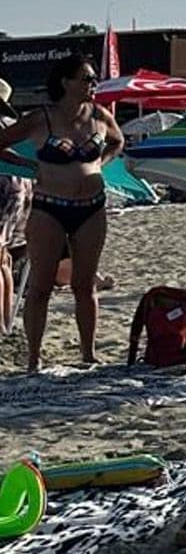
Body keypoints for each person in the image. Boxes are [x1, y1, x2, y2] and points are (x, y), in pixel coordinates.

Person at [0, 55, 122, 369]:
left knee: (85, 285)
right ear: (66, 82)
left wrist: (99, 164)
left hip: (91, 208)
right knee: (40, 286)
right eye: (86, 78)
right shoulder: (41, 118)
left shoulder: (100, 116)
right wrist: (29, 165)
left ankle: (88, 353)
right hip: (49, 208)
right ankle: (33, 358)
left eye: (93, 79)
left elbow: (117, 141)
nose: (93, 84)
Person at [0, 78, 28, 337]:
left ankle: (1, 323)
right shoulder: (13, 125)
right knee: (4, 258)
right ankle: (5, 320)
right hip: (18, 188)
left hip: (4, 187)